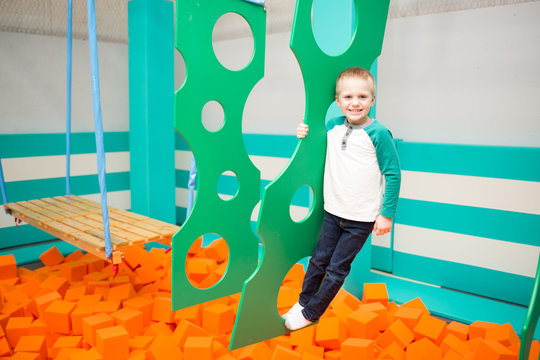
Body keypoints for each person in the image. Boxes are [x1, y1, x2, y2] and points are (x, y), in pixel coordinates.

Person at [283, 67, 401, 330]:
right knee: (318, 260)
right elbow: (313, 141)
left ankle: (312, 312)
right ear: (338, 101)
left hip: (361, 218)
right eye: (347, 97)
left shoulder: (379, 134)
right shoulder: (333, 126)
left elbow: (393, 174)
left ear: (372, 100)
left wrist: (386, 213)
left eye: (362, 97)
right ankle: (303, 302)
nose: (355, 102)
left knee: (337, 269)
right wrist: (302, 132)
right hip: (333, 211)